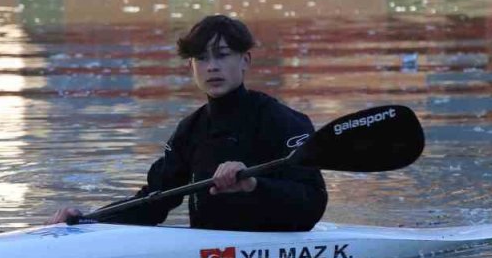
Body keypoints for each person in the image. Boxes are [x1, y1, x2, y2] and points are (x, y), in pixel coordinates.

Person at [48, 14, 326, 232]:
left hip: (272, 252)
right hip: (207, 256)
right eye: (202, 58)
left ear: (245, 60)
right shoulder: (190, 130)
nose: (212, 67)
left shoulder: (282, 121)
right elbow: (153, 202)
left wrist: (254, 185)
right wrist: (89, 220)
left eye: (222, 54)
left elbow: (312, 204)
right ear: (190, 67)